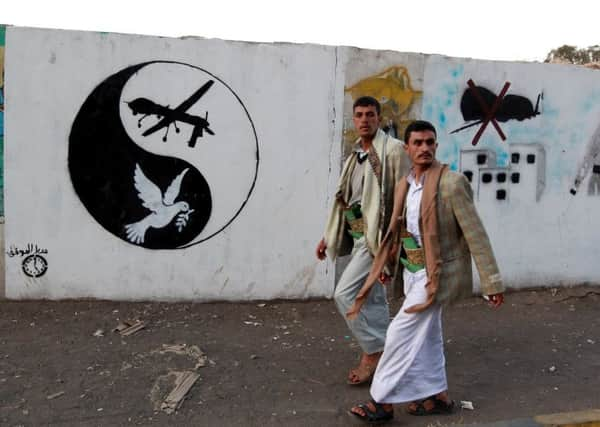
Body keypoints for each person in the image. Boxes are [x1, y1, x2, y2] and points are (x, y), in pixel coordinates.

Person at [348, 120, 504, 423]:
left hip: (437, 276)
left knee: (398, 333)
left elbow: (476, 235)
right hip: (412, 272)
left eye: (430, 142)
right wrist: (390, 264)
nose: (424, 148)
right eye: (417, 143)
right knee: (429, 336)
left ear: (435, 146)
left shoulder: (452, 183)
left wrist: (492, 282)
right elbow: (402, 229)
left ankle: (382, 401)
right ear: (407, 148)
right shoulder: (406, 184)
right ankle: (437, 396)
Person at [316, 96, 410, 385]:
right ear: (354, 119)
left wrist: (394, 239)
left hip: (377, 239)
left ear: (378, 119)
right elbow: (346, 199)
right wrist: (328, 235)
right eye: (359, 115)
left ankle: (373, 351)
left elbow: (403, 194)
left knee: (344, 294)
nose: (365, 119)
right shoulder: (355, 156)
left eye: (370, 114)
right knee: (374, 300)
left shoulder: (393, 151)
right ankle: (388, 355)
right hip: (357, 233)